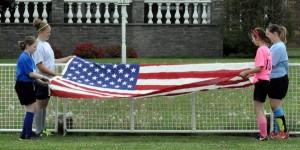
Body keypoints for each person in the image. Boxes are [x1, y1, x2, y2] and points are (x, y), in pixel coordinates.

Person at [32, 18, 74, 136]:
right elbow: (40, 66)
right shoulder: (38, 46)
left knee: (44, 104)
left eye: (50, 32)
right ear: (41, 31)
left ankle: (42, 129)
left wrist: (67, 58)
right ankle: (38, 131)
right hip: (41, 79)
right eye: (48, 32)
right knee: (40, 104)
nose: (49, 34)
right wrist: (56, 74)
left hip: (48, 79)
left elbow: (51, 61)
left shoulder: (46, 44)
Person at [239, 27, 272, 141]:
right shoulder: (267, 49)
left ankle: (263, 135)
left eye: (253, 38)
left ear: (257, 37)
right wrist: (252, 75)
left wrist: (246, 72)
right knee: (261, 109)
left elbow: (259, 68)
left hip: (261, 83)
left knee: (258, 109)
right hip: (266, 81)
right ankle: (263, 134)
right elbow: (264, 70)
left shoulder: (260, 50)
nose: (252, 40)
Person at [15, 36, 50, 140]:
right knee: (32, 108)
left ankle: (24, 134)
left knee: (32, 108)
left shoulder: (29, 56)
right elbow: (31, 74)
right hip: (23, 85)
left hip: (28, 85)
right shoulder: (25, 57)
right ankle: (28, 135)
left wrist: (43, 83)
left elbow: (33, 76)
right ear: (28, 46)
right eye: (34, 47)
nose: (36, 49)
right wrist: (43, 77)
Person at [266, 24, 289, 139]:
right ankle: (277, 132)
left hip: (278, 80)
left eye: (268, 34)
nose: (267, 36)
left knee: (275, 106)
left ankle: (283, 131)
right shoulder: (276, 46)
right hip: (275, 79)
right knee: (275, 106)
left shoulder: (279, 47)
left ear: (275, 33)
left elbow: (269, 64)